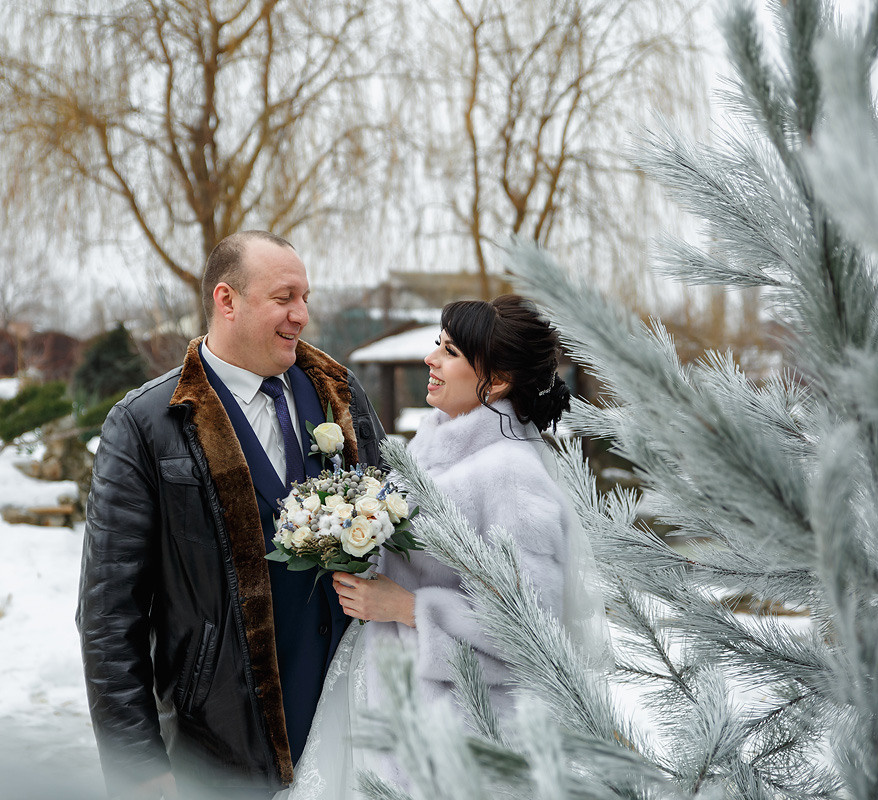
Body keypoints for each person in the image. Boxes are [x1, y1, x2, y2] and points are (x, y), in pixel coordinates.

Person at [77, 230, 385, 799]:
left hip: (355, 726)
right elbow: (107, 615)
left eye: (306, 299)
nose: (301, 316)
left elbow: (399, 524)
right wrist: (138, 766)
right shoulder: (146, 425)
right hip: (221, 745)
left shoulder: (342, 396)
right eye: (284, 298)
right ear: (227, 300)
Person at [280, 294, 604, 799]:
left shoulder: (512, 476)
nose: (430, 359)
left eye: (449, 351)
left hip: (461, 745)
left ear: (495, 381)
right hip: (398, 715)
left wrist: (408, 607)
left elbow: (534, 640)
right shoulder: (431, 447)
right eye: (438, 344)